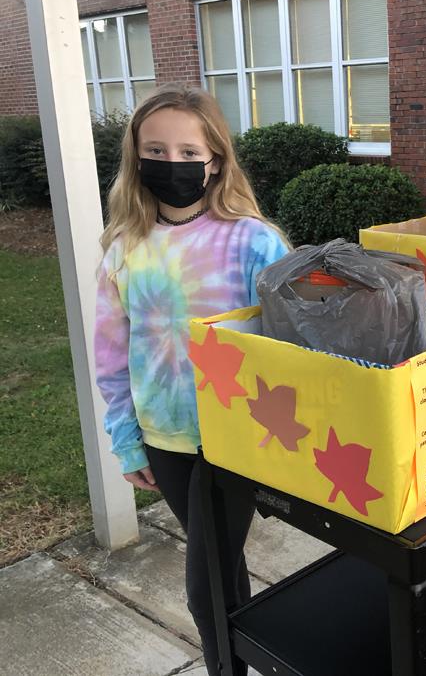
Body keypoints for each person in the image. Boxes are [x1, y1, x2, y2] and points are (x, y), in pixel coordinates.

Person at [94, 83, 290, 674]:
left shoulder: (256, 242)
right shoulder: (124, 248)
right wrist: (127, 437)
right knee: (223, 569)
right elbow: (110, 354)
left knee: (204, 588)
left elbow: (292, 345)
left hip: (240, 440)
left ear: (215, 160)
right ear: (135, 158)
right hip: (166, 438)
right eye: (155, 151)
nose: (171, 164)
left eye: (187, 153)